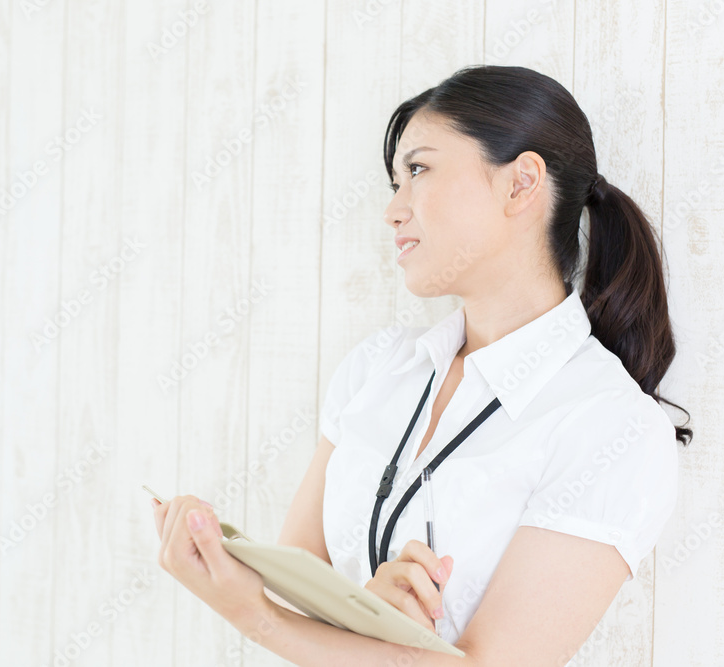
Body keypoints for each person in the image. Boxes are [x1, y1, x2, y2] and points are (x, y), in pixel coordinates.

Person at [151, 64, 693, 666]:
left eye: (417, 170)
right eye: (395, 182)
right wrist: (367, 615)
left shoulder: (614, 426)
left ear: (521, 184)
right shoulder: (376, 368)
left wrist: (252, 616)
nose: (393, 210)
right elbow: (297, 592)